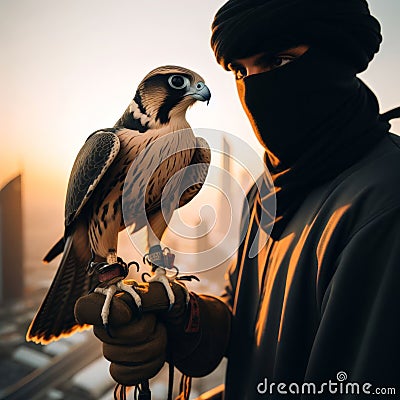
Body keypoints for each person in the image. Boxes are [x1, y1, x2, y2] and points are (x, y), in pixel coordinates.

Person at [75, 0, 400, 398]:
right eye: (240, 70)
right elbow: (249, 325)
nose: (255, 86)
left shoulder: (385, 202)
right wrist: (185, 319)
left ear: (339, 59)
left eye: (278, 61)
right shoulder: (266, 191)